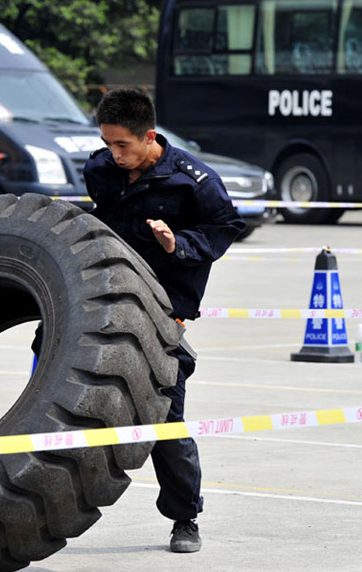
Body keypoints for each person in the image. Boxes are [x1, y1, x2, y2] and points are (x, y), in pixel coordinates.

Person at [83, 88, 246, 553]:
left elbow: (224, 228)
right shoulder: (101, 169)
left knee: (165, 422)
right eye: (108, 144)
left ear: (149, 137)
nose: (114, 156)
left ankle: (185, 519)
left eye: (123, 146)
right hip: (104, 302)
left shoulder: (195, 182)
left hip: (162, 314)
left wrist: (179, 244)